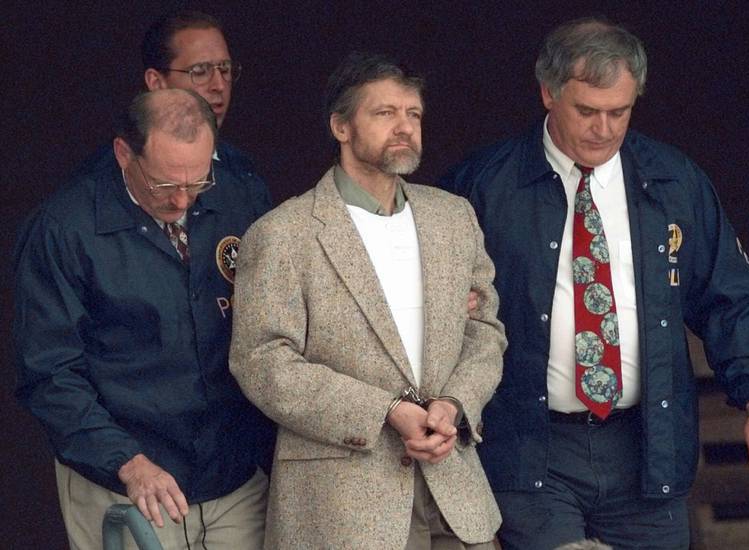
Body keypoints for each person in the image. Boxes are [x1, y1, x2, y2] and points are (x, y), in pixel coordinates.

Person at [440, 17, 749, 550]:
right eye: (587, 111)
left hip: (647, 448)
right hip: (530, 448)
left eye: (619, 112)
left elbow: (730, 296)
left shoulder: (674, 181)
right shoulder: (483, 184)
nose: (603, 129)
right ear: (548, 92)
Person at [229, 52, 507, 549]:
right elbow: (261, 361)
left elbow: (484, 330)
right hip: (341, 506)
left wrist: (454, 404)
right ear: (341, 127)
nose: (404, 126)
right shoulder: (282, 233)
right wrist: (385, 411)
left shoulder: (453, 217)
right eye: (384, 113)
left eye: (413, 114)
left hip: (454, 487)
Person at [13, 89, 273, 549]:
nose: (182, 201)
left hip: (232, 473)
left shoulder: (241, 196)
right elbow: (49, 372)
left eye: (198, 182)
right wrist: (127, 462)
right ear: (123, 154)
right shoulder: (64, 229)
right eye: (163, 184)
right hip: (125, 477)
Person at [74, 9, 272, 211]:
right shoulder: (98, 185)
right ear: (156, 82)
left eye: (225, 69)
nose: (219, 85)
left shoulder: (242, 170)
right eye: (200, 71)